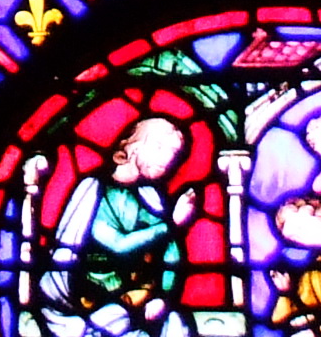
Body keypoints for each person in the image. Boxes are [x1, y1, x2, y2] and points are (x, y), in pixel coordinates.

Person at [36, 111, 199, 336]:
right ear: (134, 147)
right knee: (117, 319)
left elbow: (171, 252)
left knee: (177, 325)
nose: (169, 159)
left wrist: (162, 296)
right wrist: (171, 224)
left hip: (140, 298)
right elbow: (117, 245)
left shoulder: (150, 196)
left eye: (174, 153)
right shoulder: (94, 190)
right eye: (161, 148)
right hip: (90, 298)